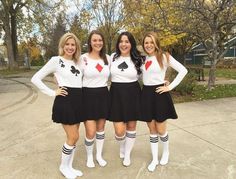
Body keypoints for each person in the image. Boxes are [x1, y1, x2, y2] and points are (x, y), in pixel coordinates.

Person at [31, 33, 83, 179]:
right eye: (67, 44)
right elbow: (35, 78)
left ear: (76, 47)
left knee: (75, 138)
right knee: (73, 136)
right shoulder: (56, 60)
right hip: (65, 101)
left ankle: (69, 167)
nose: (70, 47)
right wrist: (52, 92)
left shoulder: (78, 62)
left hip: (79, 101)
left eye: (73, 45)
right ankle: (63, 166)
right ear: (62, 45)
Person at [140, 32, 188, 172]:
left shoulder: (164, 56)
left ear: (156, 43)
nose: (148, 45)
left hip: (160, 94)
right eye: (146, 42)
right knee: (152, 129)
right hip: (146, 95)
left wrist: (169, 86)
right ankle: (154, 158)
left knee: (161, 129)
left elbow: (183, 70)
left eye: (151, 42)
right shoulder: (143, 59)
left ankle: (165, 152)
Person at [109, 31, 144, 167]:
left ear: (131, 44)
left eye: (127, 41)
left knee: (131, 127)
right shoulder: (112, 57)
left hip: (133, 94)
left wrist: (163, 81)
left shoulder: (138, 59)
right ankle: (122, 146)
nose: (124, 44)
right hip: (116, 94)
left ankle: (127, 153)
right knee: (119, 131)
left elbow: (145, 77)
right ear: (118, 44)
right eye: (121, 41)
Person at [80, 30, 110, 168]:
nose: (97, 43)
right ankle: (89, 156)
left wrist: (163, 79)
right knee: (90, 131)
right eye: (94, 40)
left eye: (100, 40)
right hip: (87, 96)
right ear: (90, 42)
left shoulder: (108, 59)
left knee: (101, 128)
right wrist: (58, 77)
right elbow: (69, 70)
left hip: (103, 95)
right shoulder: (83, 58)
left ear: (103, 42)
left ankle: (98, 155)